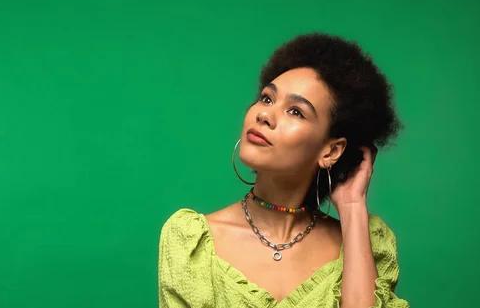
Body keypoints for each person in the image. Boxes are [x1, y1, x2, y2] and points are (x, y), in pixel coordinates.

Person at [158, 33, 410, 307]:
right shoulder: (192, 242)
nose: (264, 115)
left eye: (296, 111)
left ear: (331, 151)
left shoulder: (365, 244)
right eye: (267, 99)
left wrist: (352, 206)